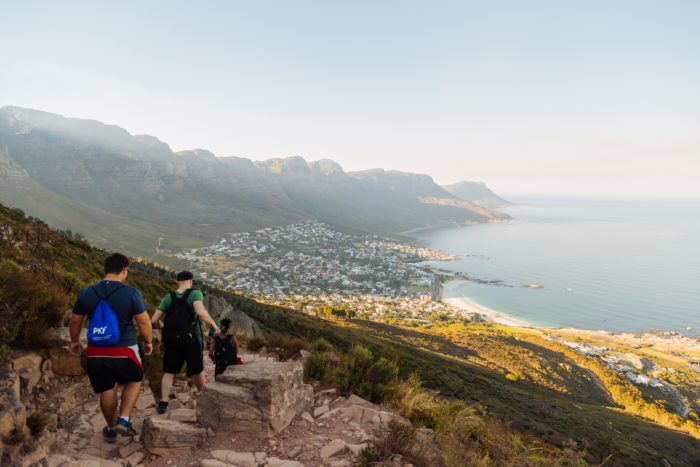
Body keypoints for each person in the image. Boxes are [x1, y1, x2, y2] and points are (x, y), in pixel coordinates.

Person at [70, 252, 153, 443]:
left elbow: (75, 321)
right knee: (135, 378)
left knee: (107, 388)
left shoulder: (87, 292)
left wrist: (75, 341)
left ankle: (110, 428)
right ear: (124, 270)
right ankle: (123, 418)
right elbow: (144, 322)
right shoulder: (131, 293)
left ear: (106, 269)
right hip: (124, 350)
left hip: (95, 352)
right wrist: (147, 342)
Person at [151, 270, 218, 414]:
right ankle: (204, 399)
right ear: (191, 281)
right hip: (192, 340)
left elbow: (154, 320)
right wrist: (213, 324)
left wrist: (163, 328)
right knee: (197, 371)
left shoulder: (169, 297)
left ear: (176, 282)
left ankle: (163, 402)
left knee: (168, 371)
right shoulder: (195, 293)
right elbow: (200, 312)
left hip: (172, 340)